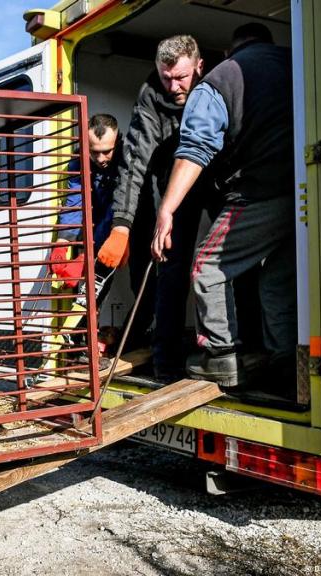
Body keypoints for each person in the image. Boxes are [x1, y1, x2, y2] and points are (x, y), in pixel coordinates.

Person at [151, 23, 296, 391]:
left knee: (208, 268)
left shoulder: (220, 80)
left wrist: (166, 209)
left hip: (258, 191)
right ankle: (286, 362)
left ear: (228, 52)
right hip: (307, 190)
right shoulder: (297, 63)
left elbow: (195, 149)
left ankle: (221, 356)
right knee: (277, 280)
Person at [95, 34, 214, 383]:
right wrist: (122, 224)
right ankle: (167, 366)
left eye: (181, 77)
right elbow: (133, 164)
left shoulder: (215, 89)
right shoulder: (150, 98)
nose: (174, 86)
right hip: (173, 189)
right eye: (166, 77)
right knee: (170, 268)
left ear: (199, 66)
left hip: (217, 178)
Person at [52, 113, 125, 370]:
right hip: (97, 232)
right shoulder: (78, 162)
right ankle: (83, 350)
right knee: (90, 292)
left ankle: (134, 338)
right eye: (94, 153)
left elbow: (123, 202)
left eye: (107, 152)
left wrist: (121, 234)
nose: (101, 159)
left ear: (117, 142)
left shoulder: (127, 158)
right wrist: (62, 243)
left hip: (125, 226)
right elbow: (74, 201)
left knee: (142, 285)